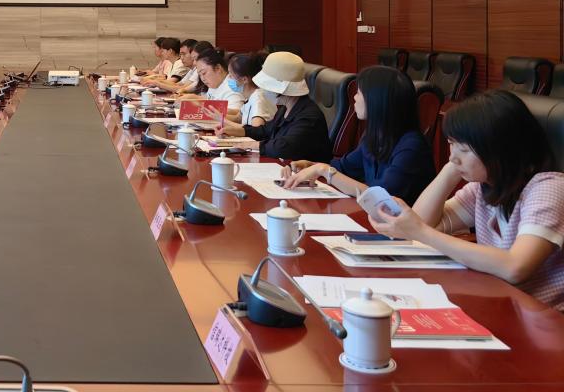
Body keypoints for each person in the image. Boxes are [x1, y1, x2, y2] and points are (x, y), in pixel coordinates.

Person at [369, 90, 564, 310]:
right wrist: (450, 171)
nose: (453, 156)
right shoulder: (484, 187)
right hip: (501, 304)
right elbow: (422, 222)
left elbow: (515, 267)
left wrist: (420, 231)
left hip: (545, 318)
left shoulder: (549, 188)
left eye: (463, 148)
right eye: (451, 143)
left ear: (500, 148)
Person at [281, 65, 433, 203]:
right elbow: (343, 168)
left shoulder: (412, 147)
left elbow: (382, 197)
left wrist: (323, 170)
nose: (354, 97)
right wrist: (309, 166)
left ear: (376, 100)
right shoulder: (374, 136)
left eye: (359, 93)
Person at [215, 51, 331, 162]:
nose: (263, 90)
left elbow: (284, 147)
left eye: (266, 86)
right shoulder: (285, 108)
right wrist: (236, 131)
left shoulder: (309, 117)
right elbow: (265, 130)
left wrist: (251, 145)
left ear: (280, 88)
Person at [177, 47, 245, 114]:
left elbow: (237, 114)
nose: (202, 79)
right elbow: (210, 99)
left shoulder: (232, 87)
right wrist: (192, 97)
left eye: (204, 73)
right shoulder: (215, 83)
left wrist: (201, 107)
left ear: (218, 68)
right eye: (200, 75)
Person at [224, 52, 276, 128]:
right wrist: (216, 116)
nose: (228, 78)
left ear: (244, 79)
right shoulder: (250, 96)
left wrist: (224, 121)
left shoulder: (258, 98)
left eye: (231, 75)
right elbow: (238, 118)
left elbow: (256, 129)